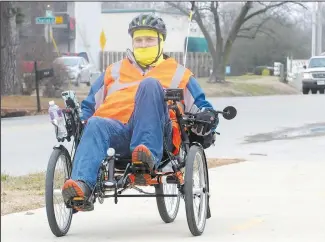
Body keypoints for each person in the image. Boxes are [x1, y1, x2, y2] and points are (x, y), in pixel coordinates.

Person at [61, 13, 218, 209]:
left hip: (159, 137)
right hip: (118, 133)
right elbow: (89, 107)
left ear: (161, 42)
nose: (143, 45)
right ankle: (82, 187)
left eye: (150, 39)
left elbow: (203, 107)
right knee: (95, 122)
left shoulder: (178, 73)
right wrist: (78, 120)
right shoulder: (113, 71)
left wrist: (208, 116)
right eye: (139, 40)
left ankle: (146, 157)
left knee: (150, 85)